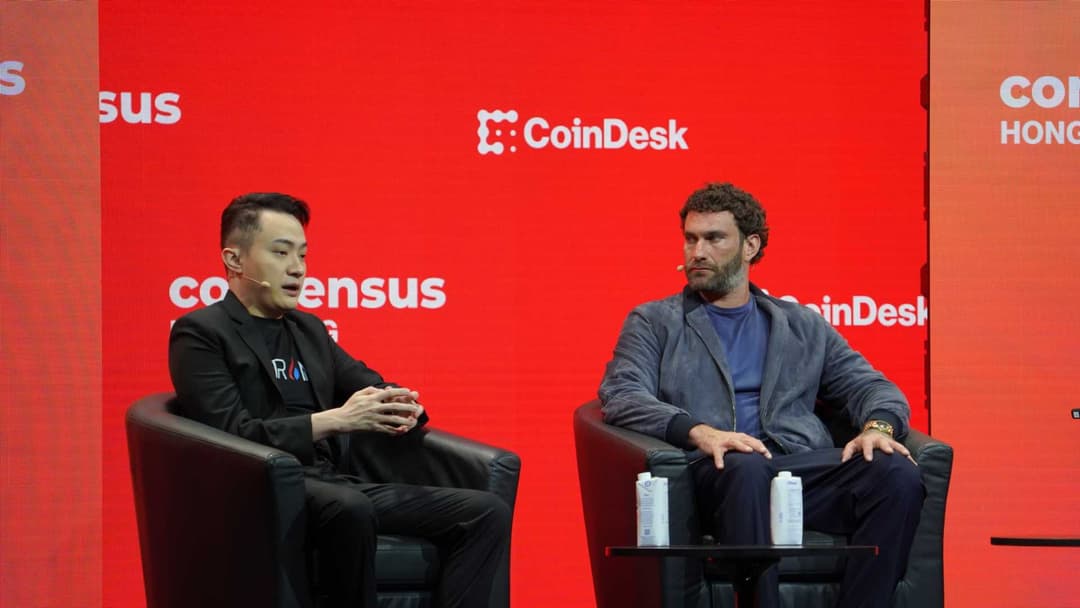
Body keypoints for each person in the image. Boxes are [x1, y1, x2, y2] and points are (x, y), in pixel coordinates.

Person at [169, 192, 511, 608]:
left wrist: (401, 404)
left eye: (303, 255)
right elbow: (229, 433)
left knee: (485, 511)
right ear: (235, 260)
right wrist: (335, 420)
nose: (297, 268)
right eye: (281, 252)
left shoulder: (308, 330)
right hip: (262, 492)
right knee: (349, 508)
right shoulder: (202, 333)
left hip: (333, 483)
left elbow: (366, 383)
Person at [598, 183, 924, 608]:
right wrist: (700, 432)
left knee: (896, 473)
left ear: (750, 246)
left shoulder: (801, 325)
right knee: (746, 466)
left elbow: (872, 386)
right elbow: (621, 393)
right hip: (715, 473)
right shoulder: (655, 321)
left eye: (713, 239)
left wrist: (878, 428)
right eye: (691, 239)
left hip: (794, 469)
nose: (697, 252)